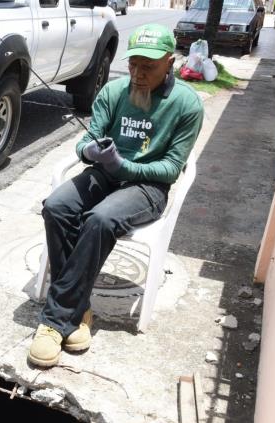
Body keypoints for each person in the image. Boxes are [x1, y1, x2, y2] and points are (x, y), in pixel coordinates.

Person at [28, 24, 204, 368]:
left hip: (147, 188)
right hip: (104, 175)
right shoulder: (113, 92)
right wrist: (92, 152)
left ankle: (53, 322)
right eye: (134, 64)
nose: (138, 74)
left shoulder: (187, 105)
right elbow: (84, 142)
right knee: (57, 206)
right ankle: (78, 310)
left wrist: (125, 166)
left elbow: (171, 169)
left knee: (100, 219)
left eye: (149, 67)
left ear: (170, 62)